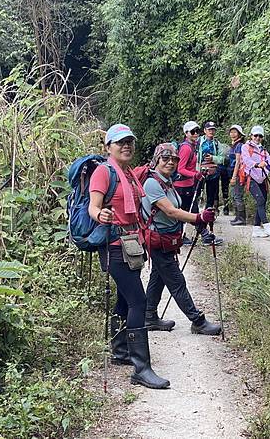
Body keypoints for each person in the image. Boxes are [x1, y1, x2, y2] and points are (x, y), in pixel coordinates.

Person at [88, 124, 170, 389]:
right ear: (108, 146)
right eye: (120, 142)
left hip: (131, 242)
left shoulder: (129, 174)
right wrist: (100, 215)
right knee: (139, 301)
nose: (126, 146)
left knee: (125, 300)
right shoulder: (104, 172)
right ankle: (141, 368)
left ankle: (121, 351)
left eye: (130, 142)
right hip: (114, 244)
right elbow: (93, 206)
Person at [141, 143, 222, 335]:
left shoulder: (167, 181)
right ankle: (197, 321)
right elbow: (170, 210)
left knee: (158, 278)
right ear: (156, 160)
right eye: (165, 159)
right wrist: (197, 218)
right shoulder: (152, 183)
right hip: (158, 241)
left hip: (167, 239)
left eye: (174, 160)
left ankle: (149, 317)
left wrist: (197, 221)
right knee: (177, 282)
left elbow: (176, 209)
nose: (170, 162)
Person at [175, 121, 223, 246]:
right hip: (183, 186)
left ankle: (183, 236)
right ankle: (204, 236)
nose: (195, 134)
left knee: (187, 211)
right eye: (192, 132)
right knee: (192, 211)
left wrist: (197, 173)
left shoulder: (193, 146)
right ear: (186, 133)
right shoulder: (186, 148)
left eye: (197, 131)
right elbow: (181, 168)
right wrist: (195, 175)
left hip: (187, 184)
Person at [240, 125, 270, 238]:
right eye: (255, 135)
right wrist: (257, 164)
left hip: (262, 179)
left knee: (262, 202)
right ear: (251, 136)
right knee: (260, 200)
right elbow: (246, 160)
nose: (257, 138)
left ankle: (256, 229)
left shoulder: (263, 150)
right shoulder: (245, 147)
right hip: (251, 178)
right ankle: (267, 226)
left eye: (260, 136)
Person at [227, 124, 247, 226]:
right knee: (234, 195)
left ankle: (242, 218)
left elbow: (238, 162)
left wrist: (234, 177)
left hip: (238, 173)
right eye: (231, 132)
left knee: (238, 195)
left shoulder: (239, 145)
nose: (233, 134)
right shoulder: (234, 144)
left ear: (239, 134)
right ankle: (237, 217)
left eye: (235, 132)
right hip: (233, 173)